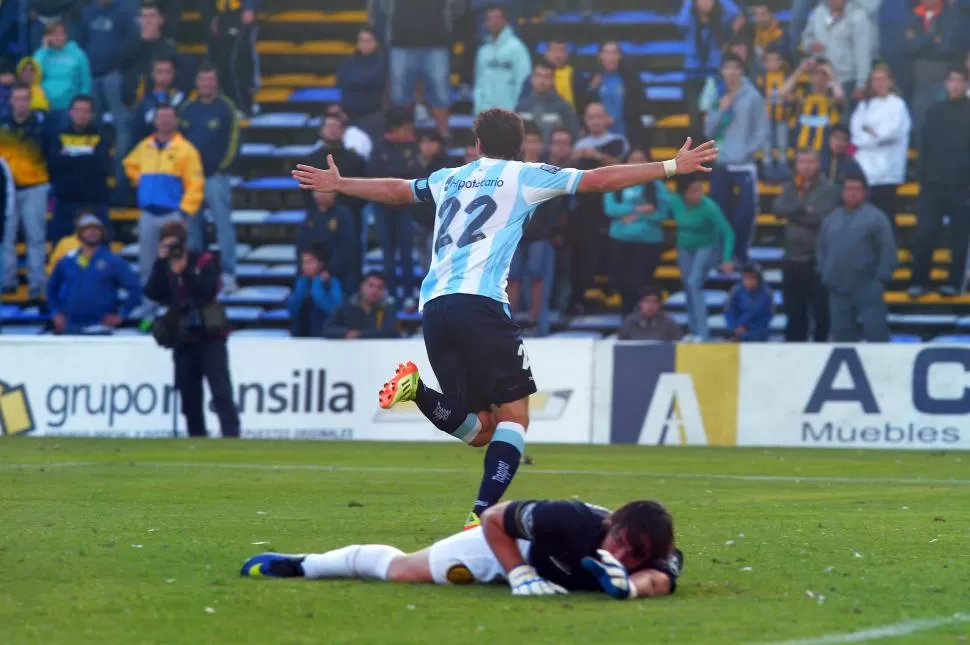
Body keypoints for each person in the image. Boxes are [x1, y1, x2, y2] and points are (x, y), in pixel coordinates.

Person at [293, 108, 717, 528]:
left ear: (477, 145)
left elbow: (397, 189)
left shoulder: (449, 177)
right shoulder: (525, 175)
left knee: (481, 430)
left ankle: (417, 390)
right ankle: (480, 517)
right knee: (514, 420)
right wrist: (670, 166)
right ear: (518, 147)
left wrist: (341, 183)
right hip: (480, 303)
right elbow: (599, 179)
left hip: (435, 306)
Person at [242, 497, 684, 601]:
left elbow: (658, 580)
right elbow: (493, 517)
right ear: (611, 523)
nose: (623, 554)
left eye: (634, 555)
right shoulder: (569, 518)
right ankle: (306, 565)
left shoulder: (655, 553)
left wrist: (626, 586)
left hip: (543, 571)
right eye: (619, 543)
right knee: (400, 571)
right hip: (511, 548)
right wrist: (519, 573)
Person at [144, 218, 240, 438]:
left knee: (221, 391)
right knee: (189, 394)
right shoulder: (165, 265)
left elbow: (208, 290)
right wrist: (160, 263)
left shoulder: (204, 260)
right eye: (167, 246)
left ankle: (232, 435)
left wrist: (184, 271)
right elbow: (152, 293)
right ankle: (196, 436)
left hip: (209, 334)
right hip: (182, 335)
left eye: (175, 245)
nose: (173, 250)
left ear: (184, 243)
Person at [123, 103, 204, 284]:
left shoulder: (186, 150)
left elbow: (196, 184)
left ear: (176, 120)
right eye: (161, 117)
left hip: (172, 214)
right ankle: (149, 305)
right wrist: (142, 184)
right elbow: (129, 164)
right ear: (155, 121)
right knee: (147, 263)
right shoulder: (144, 147)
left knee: (176, 261)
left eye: (169, 117)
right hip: (148, 214)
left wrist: (184, 211)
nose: (165, 121)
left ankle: (176, 303)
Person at [178, 63, 241, 292]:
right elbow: (179, 143)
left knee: (223, 225)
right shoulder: (187, 108)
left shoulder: (226, 108)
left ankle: (228, 273)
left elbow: (233, 143)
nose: (206, 84)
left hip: (216, 177)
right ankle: (195, 269)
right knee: (192, 228)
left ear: (216, 82)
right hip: (191, 180)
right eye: (202, 80)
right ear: (197, 82)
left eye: (210, 80)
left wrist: (219, 168)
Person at [909, 67, 970, 298]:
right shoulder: (934, 111)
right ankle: (919, 281)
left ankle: (954, 283)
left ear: (965, 84)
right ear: (945, 83)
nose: (955, 85)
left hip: (961, 185)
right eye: (951, 80)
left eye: (959, 81)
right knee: (925, 232)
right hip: (933, 184)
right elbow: (924, 146)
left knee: (960, 235)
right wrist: (924, 178)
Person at [816, 172, 896, 342]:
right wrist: (825, 274)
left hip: (867, 286)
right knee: (842, 338)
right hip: (837, 288)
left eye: (857, 189)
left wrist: (880, 279)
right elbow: (821, 249)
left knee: (876, 335)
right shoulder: (831, 219)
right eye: (848, 189)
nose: (852, 193)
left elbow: (887, 249)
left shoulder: (877, 218)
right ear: (842, 192)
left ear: (865, 192)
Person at [704, 53, 767, 263]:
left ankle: (740, 253)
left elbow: (762, 130)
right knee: (720, 211)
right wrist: (721, 110)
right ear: (721, 71)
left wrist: (747, 151)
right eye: (727, 68)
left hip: (744, 164)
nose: (731, 73)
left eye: (735, 68)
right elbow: (708, 130)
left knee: (745, 212)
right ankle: (723, 255)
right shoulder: (717, 95)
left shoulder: (753, 96)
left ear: (741, 71)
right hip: (721, 162)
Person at [774, 148, 840, 342]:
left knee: (821, 315)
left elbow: (821, 218)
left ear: (818, 163)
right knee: (794, 315)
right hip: (791, 260)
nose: (805, 166)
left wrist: (793, 212)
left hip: (816, 261)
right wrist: (803, 207)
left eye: (810, 162)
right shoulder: (790, 187)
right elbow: (778, 209)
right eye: (801, 162)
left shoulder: (830, 189)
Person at [47, 213, 140, 334]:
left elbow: (135, 287)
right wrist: (55, 313)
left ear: (102, 233)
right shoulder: (67, 261)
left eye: (96, 229)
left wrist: (121, 314)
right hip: (70, 325)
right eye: (88, 229)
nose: (92, 232)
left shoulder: (113, 261)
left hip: (100, 326)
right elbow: (51, 286)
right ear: (80, 233)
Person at [603, 149, 671, 313]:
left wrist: (631, 214)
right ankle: (627, 319)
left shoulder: (657, 186)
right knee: (619, 282)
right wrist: (639, 209)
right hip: (620, 240)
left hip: (648, 242)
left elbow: (662, 213)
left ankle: (638, 319)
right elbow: (610, 209)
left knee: (640, 284)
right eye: (633, 159)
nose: (637, 163)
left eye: (641, 159)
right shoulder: (615, 182)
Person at [0, 82, 50, 298]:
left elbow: (52, 153)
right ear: (10, 101)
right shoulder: (1, 125)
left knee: (36, 237)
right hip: (6, 188)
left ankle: (36, 284)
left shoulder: (42, 126)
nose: (21, 103)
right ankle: (7, 281)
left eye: (24, 98)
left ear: (30, 100)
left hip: (35, 185)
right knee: (6, 236)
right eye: (17, 98)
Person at [671, 173, 735, 341]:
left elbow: (728, 232)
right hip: (684, 246)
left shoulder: (709, 207)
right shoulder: (674, 201)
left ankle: (703, 333)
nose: (697, 194)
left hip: (706, 246)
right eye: (693, 191)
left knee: (694, 283)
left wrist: (727, 258)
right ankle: (693, 330)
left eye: (699, 190)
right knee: (687, 286)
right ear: (683, 193)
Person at [369, 107, 423, 301]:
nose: (410, 133)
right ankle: (390, 293)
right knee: (388, 253)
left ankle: (408, 293)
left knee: (406, 251)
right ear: (395, 128)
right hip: (382, 207)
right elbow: (376, 174)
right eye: (407, 129)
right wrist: (401, 170)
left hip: (404, 206)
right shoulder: (379, 147)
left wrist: (396, 172)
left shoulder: (412, 146)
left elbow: (416, 172)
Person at [849, 64, 911, 220]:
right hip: (865, 170)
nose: (879, 83)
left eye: (883, 79)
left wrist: (870, 132)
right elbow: (856, 135)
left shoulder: (898, 105)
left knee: (884, 217)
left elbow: (890, 134)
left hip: (887, 172)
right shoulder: (864, 106)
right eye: (875, 80)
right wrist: (874, 135)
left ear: (890, 82)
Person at [48, 94, 111, 245]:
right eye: (78, 110)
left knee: (99, 249)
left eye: (86, 111)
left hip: (95, 204)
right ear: (70, 112)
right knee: (61, 248)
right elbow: (55, 165)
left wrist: (70, 156)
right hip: (65, 203)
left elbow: (102, 166)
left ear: (92, 114)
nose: (82, 115)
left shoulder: (102, 136)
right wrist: (87, 155)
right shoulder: (59, 135)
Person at [76, 0, 135, 158]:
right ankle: (97, 158)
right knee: (94, 121)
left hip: (114, 75)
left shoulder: (124, 12)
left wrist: (119, 65)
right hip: (92, 74)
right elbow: (80, 41)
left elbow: (131, 41)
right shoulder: (87, 12)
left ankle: (120, 163)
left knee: (119, 121)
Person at [677, 0, 742, 136]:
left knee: (715, 120)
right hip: (692, 76)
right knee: (695, 123)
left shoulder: (721, 20)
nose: (706, 3)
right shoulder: (688, 20)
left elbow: (735, 12)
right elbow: (680, 21)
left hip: (713, 75)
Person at [903, 0, 961, 145]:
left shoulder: (949, 15)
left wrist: (919, 40)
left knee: (943, 126)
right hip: (919, 83)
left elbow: (945, 47)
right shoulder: (914, 16)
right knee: (919, 126)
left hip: (942, 80)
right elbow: (908, 47)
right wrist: (931, 38)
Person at [801, 0, 871, 111]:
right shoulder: (818, 12)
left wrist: (861, 84)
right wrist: (810, 44)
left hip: (845, 80)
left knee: (841, 123)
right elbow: (806, 37)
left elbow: (863, 52)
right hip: (820, 79)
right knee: (819, 121)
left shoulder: (859, 17)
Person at [576, 42, 646, 145]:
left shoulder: (631, 78)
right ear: (600, 56)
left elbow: (641, 105)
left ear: (619, 56)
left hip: (627, 134)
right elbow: (582, 107)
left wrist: (616, 117)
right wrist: (591, 88)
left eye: (614, 53)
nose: (611, 57)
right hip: (598, 138)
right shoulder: (592, 79)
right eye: (607, 53)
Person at [204, 0, 259, 116]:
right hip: (219, 13)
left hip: (239, 13)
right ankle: (227, 105)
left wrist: (249, 7)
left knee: (241, 61)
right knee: (219, 62)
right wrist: (210, 14)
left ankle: (246, 105)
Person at [473, 5, 531, 115]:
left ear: (505, 21)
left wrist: (518, 109)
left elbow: (523, 81)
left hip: (510, 112)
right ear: (486, 23)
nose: (494, 22)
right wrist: (478, 109)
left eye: (497, 18)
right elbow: (479, 83)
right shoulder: (483, 51)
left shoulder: (517, 48)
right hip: (486, 114)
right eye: (490, 19)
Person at [780, 57, 845, 154]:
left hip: (825, 152)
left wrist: (831, 74)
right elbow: (782, 93)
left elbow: (840, 96)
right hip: (801, 151)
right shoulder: (802, 97)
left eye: (823, 73)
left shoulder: (832, 98)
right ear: (810, 77)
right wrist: (800, 70)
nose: (819, 77)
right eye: (815, 73)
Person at [297, 189, 355, 292]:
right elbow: (302, 245)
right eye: (317, 191)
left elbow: (346, 247)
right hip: (310, 270)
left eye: (325, 190)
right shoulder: (310, 215)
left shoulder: (343, 215)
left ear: (334, 193)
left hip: (336, 272)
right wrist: (305, 266)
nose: (321, 194)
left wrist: (329, 270)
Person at [516, 59, 579, 148]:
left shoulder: (564, 107)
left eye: (547, 77)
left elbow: (574, 137)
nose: (542, 81)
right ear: (531, 78)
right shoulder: (521, 107)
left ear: (553, 80)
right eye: (538, 76)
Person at [33, 20, 90, 113]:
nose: (58, 37)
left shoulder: (78, 53)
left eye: (61, 34)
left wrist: (81, 106)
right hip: (44, 105)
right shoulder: (41, 54)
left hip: (70, 107)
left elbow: (85, 81)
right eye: (54, 34)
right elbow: (33, 75)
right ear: (47, 36)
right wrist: (44, 50)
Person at [323, 270, 400, 340]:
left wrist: (358, 335)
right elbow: (327, 328)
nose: (374, 291)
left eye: (379, 287)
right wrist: (345, 333)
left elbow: (389, 332)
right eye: (371, 286)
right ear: (362, 286)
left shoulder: (389, 308)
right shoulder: (346, 306)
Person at [131, 57, 185, 149]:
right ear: (152, 74)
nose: (164, 76)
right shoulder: (143, 102)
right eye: (159, 72)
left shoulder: (181, 97)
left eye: (167, 72)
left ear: (173, 73)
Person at [289, 245, 343, 338]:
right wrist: (302, 286)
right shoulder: (302, 281)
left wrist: (317, 285)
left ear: (321, 263)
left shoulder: (332, 282)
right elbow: (293, 310)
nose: (306, 266)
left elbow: (334, 311)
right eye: (304, 262)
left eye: (310, 262)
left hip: (325, 335)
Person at [336, 27, 386, 124]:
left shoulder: (381, 62)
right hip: (346, 114)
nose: (364, 44)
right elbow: (340, 82)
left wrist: (353, 80)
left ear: (376, 43)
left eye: (368, 41)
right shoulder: (349, 62)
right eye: (361, 41)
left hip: (371, 115)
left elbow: (369, 81)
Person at [756, 45, 790, 180]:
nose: (772, 64)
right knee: (767, 142)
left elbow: (789, 94)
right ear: (764, 62)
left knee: (782, 142)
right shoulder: (762, 78)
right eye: (769, 61)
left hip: (782, 115)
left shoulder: (784, 77)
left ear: (780, 62)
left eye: (775, 60)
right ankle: (767, 167)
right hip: (766, 115)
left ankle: (783, 165)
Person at [724, 263, 773, 341]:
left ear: (759, 279)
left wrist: (747, 328)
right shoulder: (736, 290)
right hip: (736, 329)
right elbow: (729, 311)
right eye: (746, 279)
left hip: (757, 332)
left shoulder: (766, 293)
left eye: (752, 278)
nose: (749, 282)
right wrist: (735, 327)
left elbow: (767, 316)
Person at [617, 287, 683, 341]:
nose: (650, 305)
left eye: (654, 302)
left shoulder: (669, 324)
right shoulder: (629, 323)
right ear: (640, 303)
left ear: (659, 304)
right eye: (647, 301)